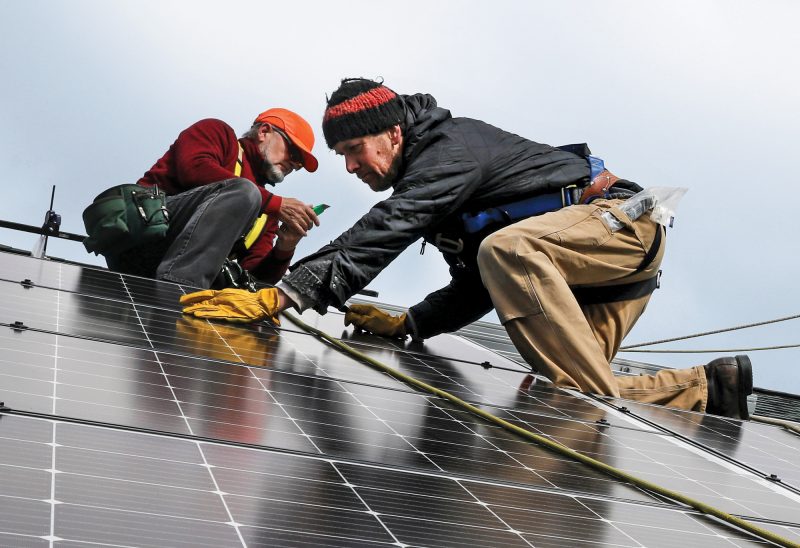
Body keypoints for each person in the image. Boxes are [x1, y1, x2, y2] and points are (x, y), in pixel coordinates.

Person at [181, 79, 753, 420]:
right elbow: (480, 284)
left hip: (617, 229)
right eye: (343, 158)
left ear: (394, 134)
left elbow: (394, 224)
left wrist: (289, 292)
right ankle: (708, 387)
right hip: (594, 280)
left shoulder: (449, 151)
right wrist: (413, 323)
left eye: (356, 149)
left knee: (506, 253)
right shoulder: (441, 178)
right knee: (567, 405)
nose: (352, 166)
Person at [107, 108, 321, 289]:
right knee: (246, 192)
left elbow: (255, 279)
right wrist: (275, 203)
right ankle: (180, 291)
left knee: (248, 195)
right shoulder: (218, 134)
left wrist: (285, 247)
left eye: (300, 163)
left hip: (180, 267)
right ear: (264, 132)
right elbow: (194, 168)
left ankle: (184, 291)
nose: (295, 164)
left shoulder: (268, 212)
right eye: (293, 152)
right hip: (143, 239)